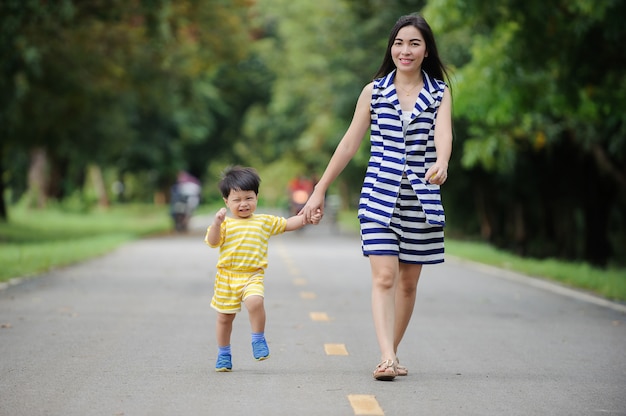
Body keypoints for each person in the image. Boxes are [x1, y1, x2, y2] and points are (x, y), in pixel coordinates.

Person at [301, 14, 453, 381]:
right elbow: (350, 142)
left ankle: (392, 352)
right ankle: (386, 357)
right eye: (399, 43)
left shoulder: (438, 93)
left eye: (414, 43)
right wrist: (319, 188)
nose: (406, 50)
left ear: (426, 49)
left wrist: (442, 162)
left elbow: (443, 134)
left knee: (408, 282)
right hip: (379, 195)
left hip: (422, 195)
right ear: (391, 48)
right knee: (384, 277)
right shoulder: (374, 91)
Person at [205, 166, 321, 372]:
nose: (243, 204)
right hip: (227, 277)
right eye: (237, 199)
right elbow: (213, 242)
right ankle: (224, 354)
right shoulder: (224, 225)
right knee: (224, 318)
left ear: (256, 197)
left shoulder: (264, 221)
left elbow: (287, 224)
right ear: (226, 201)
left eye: (248, 198)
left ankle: (258, 339)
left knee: (255, 301)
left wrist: (306, 218)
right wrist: (216, 224)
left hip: (253, 275)